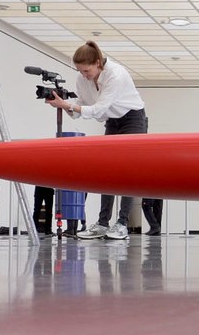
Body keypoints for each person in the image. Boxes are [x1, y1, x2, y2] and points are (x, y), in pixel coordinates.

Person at [47, 40, 162, 240]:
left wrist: (69, 105)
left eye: (86, 70)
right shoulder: (81, 79)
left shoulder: (115, 74)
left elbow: (98, 109)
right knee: (107, 170)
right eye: (80, 71)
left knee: (128, 171)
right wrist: (62, 105)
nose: (83, 75)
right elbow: (80, 109)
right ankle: (102, 223)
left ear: (98, 62)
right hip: (112, 120)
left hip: (132, 117)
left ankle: (122, 223)